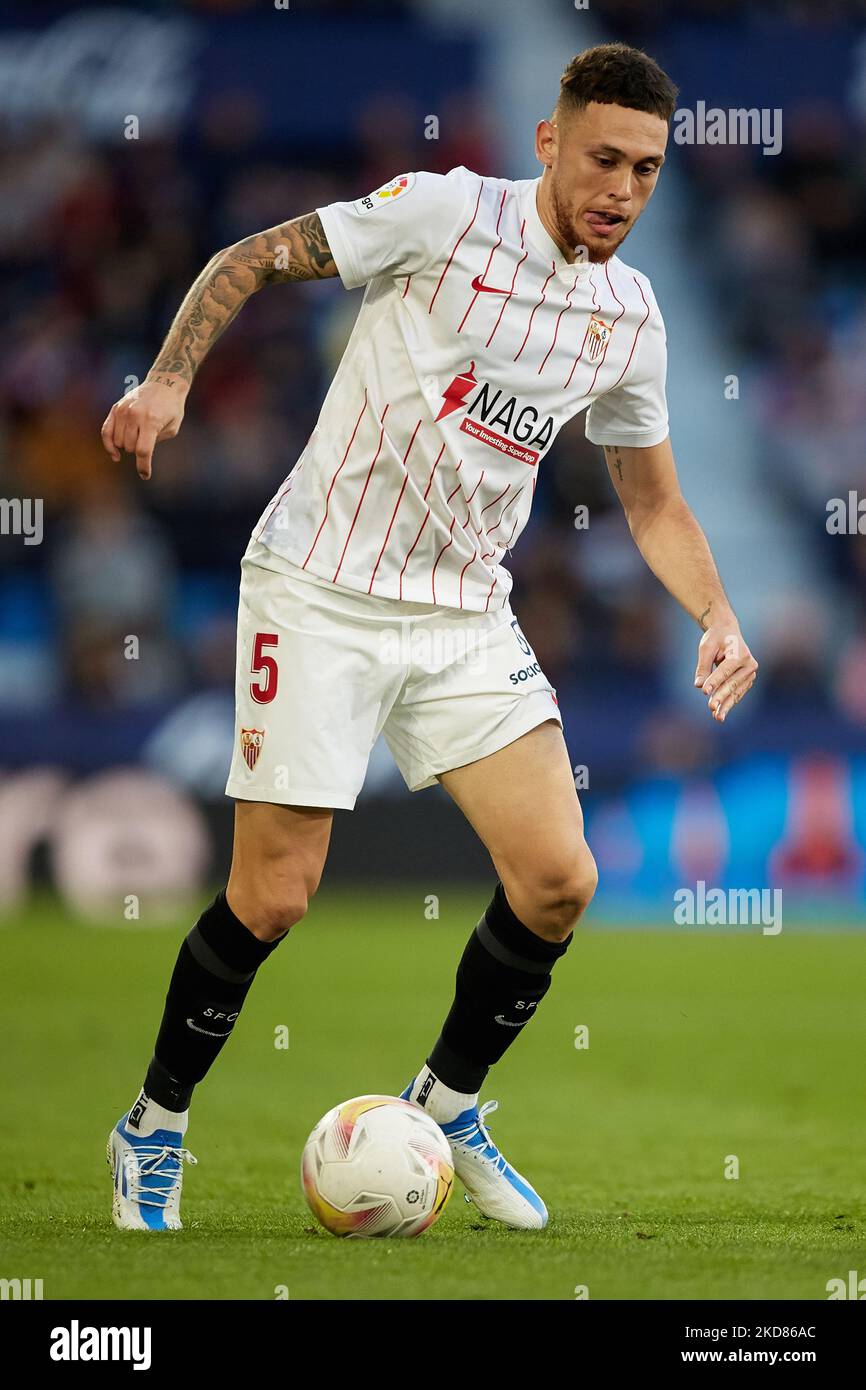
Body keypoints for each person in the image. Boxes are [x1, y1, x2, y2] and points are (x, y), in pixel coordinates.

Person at [100, 43, 758, 1233]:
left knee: (558, 881)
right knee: (273, 898)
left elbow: (653, 503)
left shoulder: (627, 316)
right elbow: (252, 255)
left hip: (461, 612)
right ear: (549, 143)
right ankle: (152, 1126)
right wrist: (166, 382)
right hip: (318, 585)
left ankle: (446, 1101)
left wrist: (713, 614)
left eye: (648, 170)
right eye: (602, 157)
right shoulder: (447, 213)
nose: (621, 188)